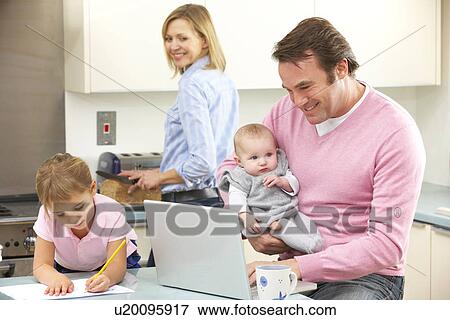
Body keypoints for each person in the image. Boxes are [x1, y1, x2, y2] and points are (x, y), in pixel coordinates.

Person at [218, 17, 425, 300]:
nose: (297, 101)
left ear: (341, 68)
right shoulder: (286, 113)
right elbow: (234, 166)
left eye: (305, 87)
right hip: (293, 271)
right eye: (289, 90)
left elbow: (386, 245)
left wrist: (298, 266)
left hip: (366, 279)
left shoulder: (395, 131)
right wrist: (247, 224)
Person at [119, 4, 239, 266]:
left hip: (187, 209)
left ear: (204, 41)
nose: (173, 46)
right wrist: (156, 177)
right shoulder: (223, 80)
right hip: (215, 203)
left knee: (159, 296)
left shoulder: (192, 84)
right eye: (168, 38)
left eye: (183, 38)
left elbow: (202, 162)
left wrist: (159, 177)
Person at [33, 153, 140, 296]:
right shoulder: (47, 215)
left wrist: (108, 278)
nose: (72, 219)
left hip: (111, 265)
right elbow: (41, 265)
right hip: (68, 265)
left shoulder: (112, 212)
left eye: (78, 208)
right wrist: (54, 278)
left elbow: (117, 266)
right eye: (60, 213)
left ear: (92, 188)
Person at [219, 123, 321, 253]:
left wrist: (282, 182)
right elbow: (236, 198)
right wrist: (245, 216)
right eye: (254, 157)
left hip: (291, 211)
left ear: (276, 150)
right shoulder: (240, 176)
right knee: (287, 232)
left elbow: (294, 183)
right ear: (239, 161)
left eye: (269, 154)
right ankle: (311, 248)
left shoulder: (279, 165)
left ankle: (318, 242)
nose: (263, 162)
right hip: (264, 217)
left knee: (308, 224)